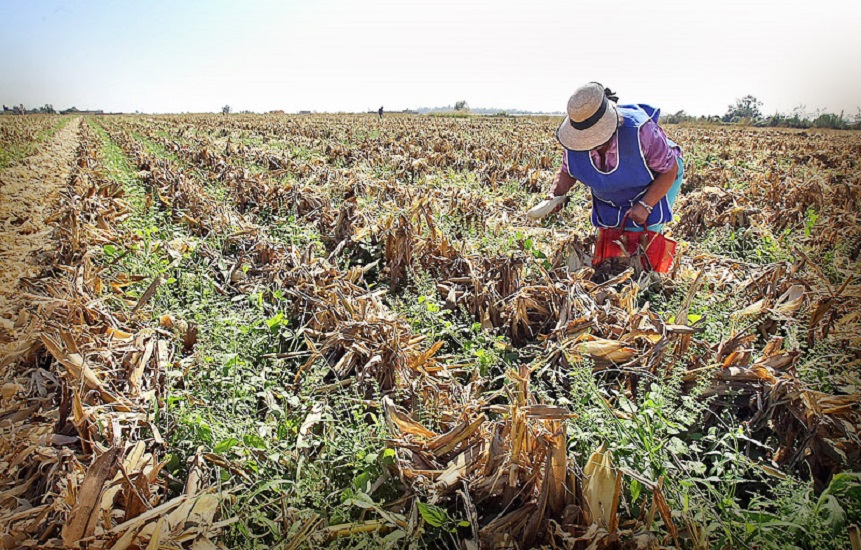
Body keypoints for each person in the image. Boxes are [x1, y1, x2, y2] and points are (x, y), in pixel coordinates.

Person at [547, 82, 683, 233]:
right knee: (609, 234)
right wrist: (554, 195)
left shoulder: (640, 132)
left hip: (660, 176)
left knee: (644, 235)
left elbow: (670, 169)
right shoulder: (574, 143)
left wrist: (646, 205)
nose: (590, 143)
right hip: (611, 192)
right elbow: (568, 171)